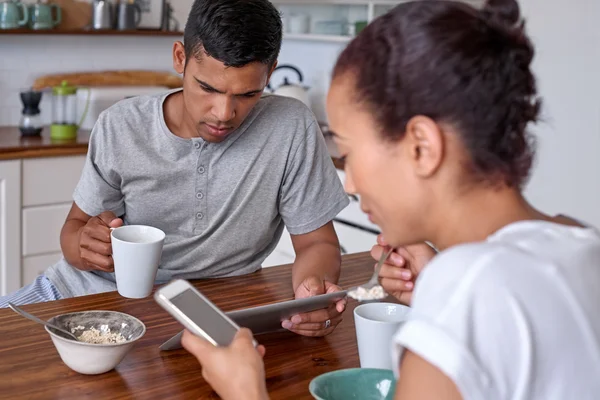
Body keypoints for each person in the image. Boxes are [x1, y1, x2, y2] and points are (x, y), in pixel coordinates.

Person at [180, 0, 600, 398]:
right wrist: (437, 293)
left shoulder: (465, 296)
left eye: (349, 152)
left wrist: (245, 391)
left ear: (421, 146)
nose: (349, 183)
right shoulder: (578, 240)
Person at [0, 0, 350, 338]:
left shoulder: (290, 126)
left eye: (247, 94)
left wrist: (311, 295)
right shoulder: (120, 125)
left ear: (270, 72)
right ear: (180, 58)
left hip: (213, 310)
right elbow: (72, 237)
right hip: (87, 292)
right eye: (207, 88)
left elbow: (317, 243)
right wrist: (85, 244)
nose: (223, 113)